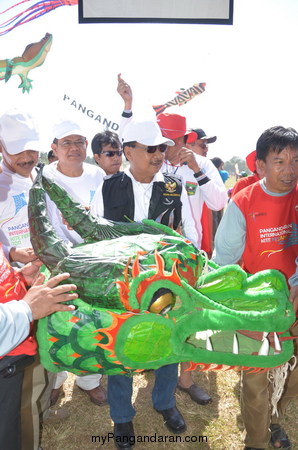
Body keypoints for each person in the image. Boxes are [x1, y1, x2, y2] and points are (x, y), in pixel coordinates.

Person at [116, 74, 225, 406]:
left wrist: (196, 166)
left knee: (178, 326)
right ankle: (131, 400)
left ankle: (178, 387)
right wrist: (127, 106)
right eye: (162, 142)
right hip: (137, 266)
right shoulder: (129, 177)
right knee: (134, 327)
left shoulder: (196, 166)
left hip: (181, 261)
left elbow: (217, 204)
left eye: (173, 141)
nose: (167, 148)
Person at [91, 117, 197, 449]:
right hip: (122, 286)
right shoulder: (107, 188)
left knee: (167, 340)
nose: (158, 154)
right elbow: (93, 239)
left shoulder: (173, 186)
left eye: (161, 148)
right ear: (129, 151)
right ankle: (122, 416)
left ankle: (164, 401)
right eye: (150, 148)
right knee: (120, 345)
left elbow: (187, 232)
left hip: (164, 282)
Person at [213, 125, 298, 450]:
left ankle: (275, 419)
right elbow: (225, 262)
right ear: (261, 165)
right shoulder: (243, 202)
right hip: (256, 308)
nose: (289, 170)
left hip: (295, 303)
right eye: (280, 161)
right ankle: (257, 441)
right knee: (255, 380)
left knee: (292, 375)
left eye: (295, 161)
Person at [0, 109, 69, 449]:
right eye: (18, 149)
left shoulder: (39, 179)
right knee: (25, 375)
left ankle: (40, 407)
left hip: (31, 281)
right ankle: (29, 422)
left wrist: (15, 261)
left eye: (32, 149)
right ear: (1, 147)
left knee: (44, 355)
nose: (27, 156)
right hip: (16, 307)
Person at [43, 119, 107, 406]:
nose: (74, 148)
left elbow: (101, 217)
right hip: (57, 261)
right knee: (57, 320)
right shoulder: (44, 176)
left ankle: (88, 380)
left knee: (91, 320)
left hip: (93, 259)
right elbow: (47, 223)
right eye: (66, 143)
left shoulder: (96, 175)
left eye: (79, 142)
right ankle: (54, 381)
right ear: (54, 148)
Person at [0, 243, 77, 450]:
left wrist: (17, 279)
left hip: (13, 351)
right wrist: (26, 309)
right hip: (6, 354)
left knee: (15, 422)